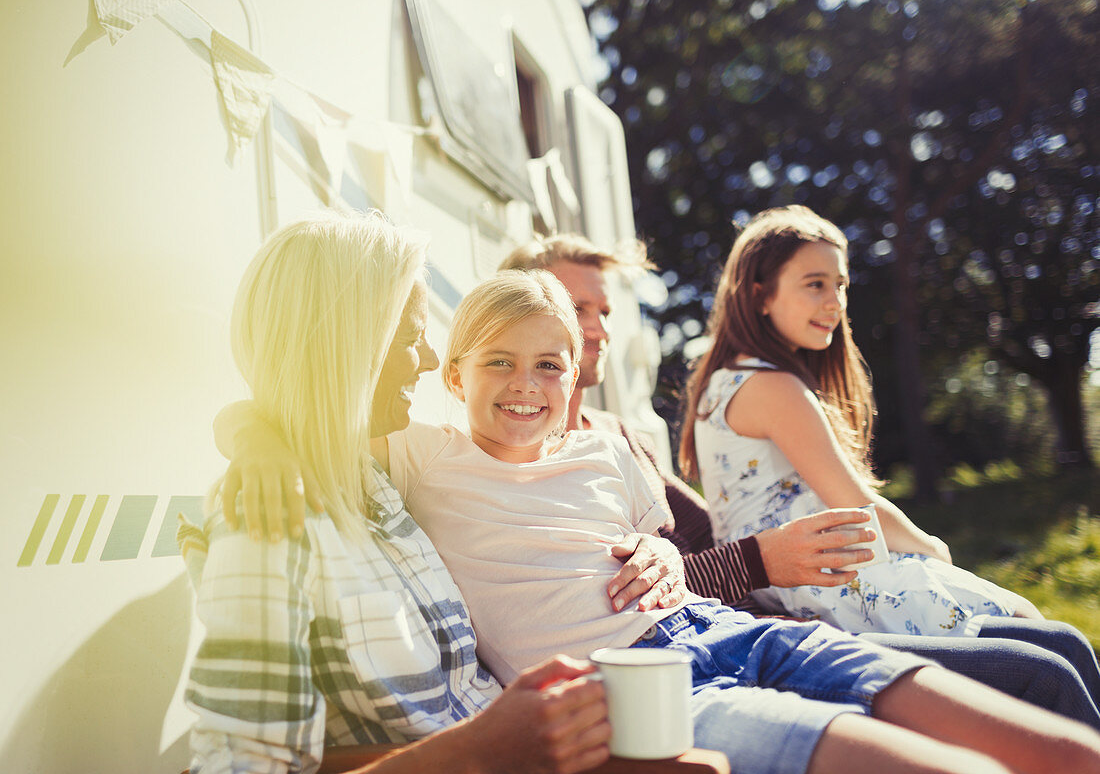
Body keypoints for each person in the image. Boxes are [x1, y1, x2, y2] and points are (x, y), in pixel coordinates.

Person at [376, 268, 1100, 774]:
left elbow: (660, 554)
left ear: (574, 374)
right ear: (454, 374)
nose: (525, 385)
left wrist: (664, 561)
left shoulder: (606, 453)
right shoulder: (422, 458)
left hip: (740, 634)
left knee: (1069, 755)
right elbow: (301, 406)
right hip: (643, 688)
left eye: (549, 365)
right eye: (498, 362)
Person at [181, 215, 615, 774]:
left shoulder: (372, 482)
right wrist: (480, 748)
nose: (434, 361)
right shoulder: (267, 518)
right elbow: (243, 766)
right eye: (413, 338)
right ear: (346, 346)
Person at [678, 206, 1097, 641]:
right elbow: (858, 506)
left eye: (840, 285)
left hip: (788, 582)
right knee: (1026, 621)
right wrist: (932, 547)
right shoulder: (774, 386)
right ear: (761, 295)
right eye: (815, 284)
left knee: (1029, 627)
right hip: (819, 574)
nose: (834, 302)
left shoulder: (723, 381)